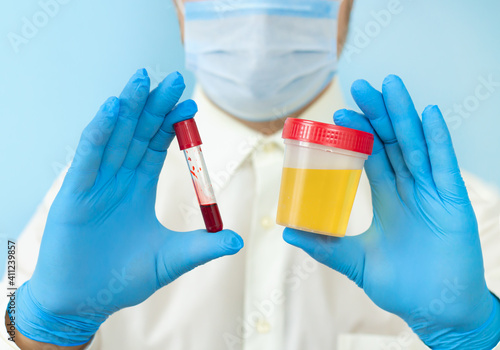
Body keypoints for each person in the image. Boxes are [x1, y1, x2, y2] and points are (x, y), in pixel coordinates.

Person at [2, 0, 500, 349]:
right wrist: (40, 329)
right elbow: (8, 304)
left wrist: (474, 341)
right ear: (177, 4)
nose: (260, 14)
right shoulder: (90, 198)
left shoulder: (472, 222)